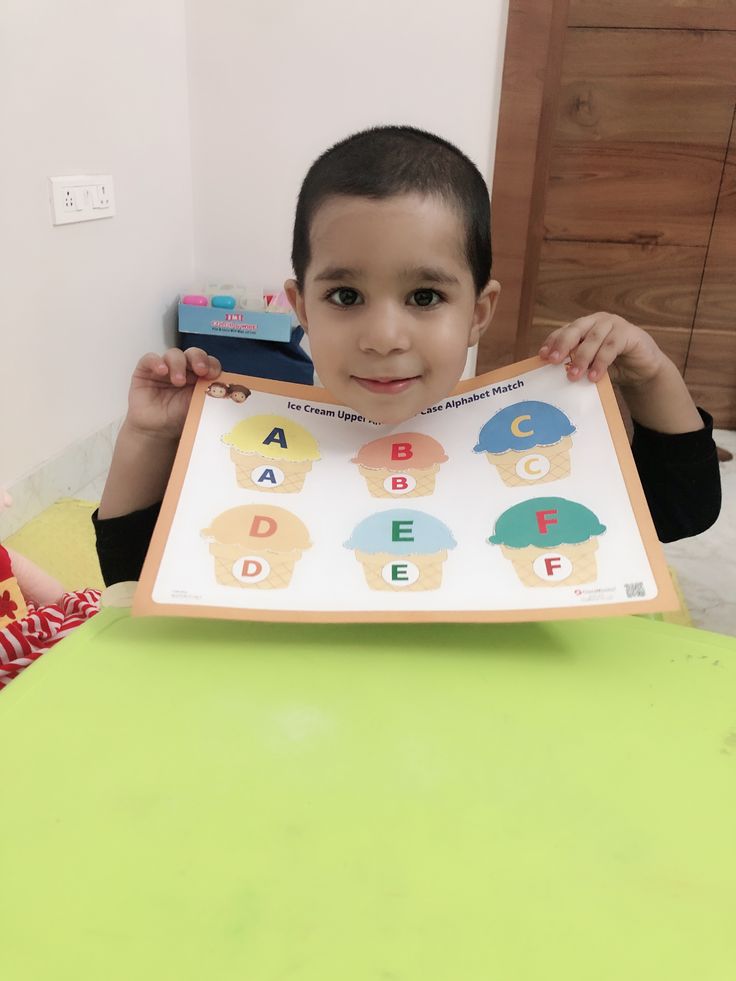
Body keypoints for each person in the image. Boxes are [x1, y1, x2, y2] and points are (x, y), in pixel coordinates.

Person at [93, 125, 721, 585]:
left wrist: (652, 375)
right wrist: (149, 438)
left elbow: (683, 511)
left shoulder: (526, 437)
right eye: (345, 295)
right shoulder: (259, 444)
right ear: (301, 308)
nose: (384, 336)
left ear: (477, 313)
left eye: (424, 296)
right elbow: (131, 571)